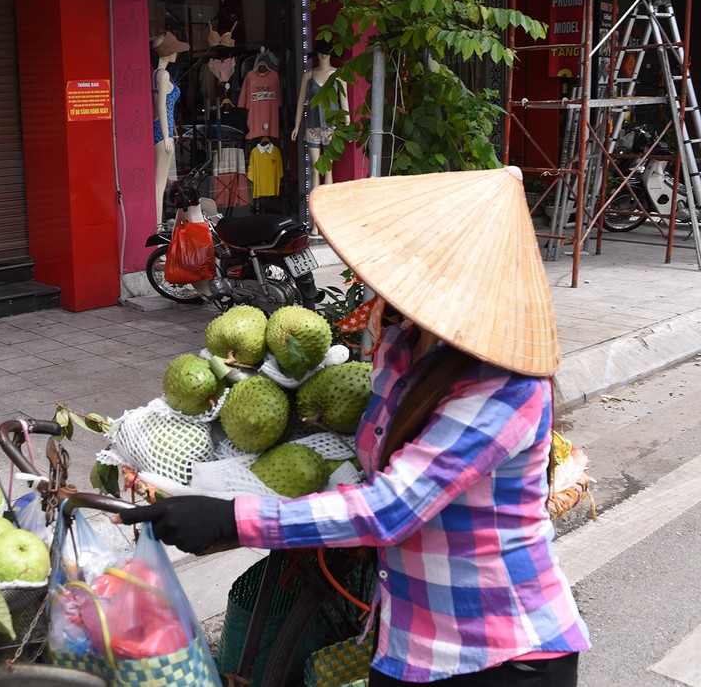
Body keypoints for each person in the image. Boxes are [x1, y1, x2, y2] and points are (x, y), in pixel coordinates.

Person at [117, 167, 592, 685]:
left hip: (498, 655)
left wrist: (234, 518)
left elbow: (390, 508)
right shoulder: (404, 349)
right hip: (409, 640)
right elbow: (372, 466)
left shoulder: (505, 390)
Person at [291, 40, 349, 192]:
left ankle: (327, 205)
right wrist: (297, 125)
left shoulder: (338, 75)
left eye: (326, 52)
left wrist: (348, 125)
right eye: (321, 52)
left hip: (331, 128)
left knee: (328, 168)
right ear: (316, 54)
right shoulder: (308, 75)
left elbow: (345, 101)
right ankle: (313, 207)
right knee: (316, 168)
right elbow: (301, 101)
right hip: (312, 126)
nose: (323, 55)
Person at [151, 31, 189, 228]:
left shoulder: (155, 73)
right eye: (174, 50)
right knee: (158, 187)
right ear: (167, 52)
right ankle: (156, 233)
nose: (176, 54)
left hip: (160, 129)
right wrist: (167, 136)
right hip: (160, 132)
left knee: (161, 183)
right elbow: (162, 108)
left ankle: (158, 228)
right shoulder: (163, 75)